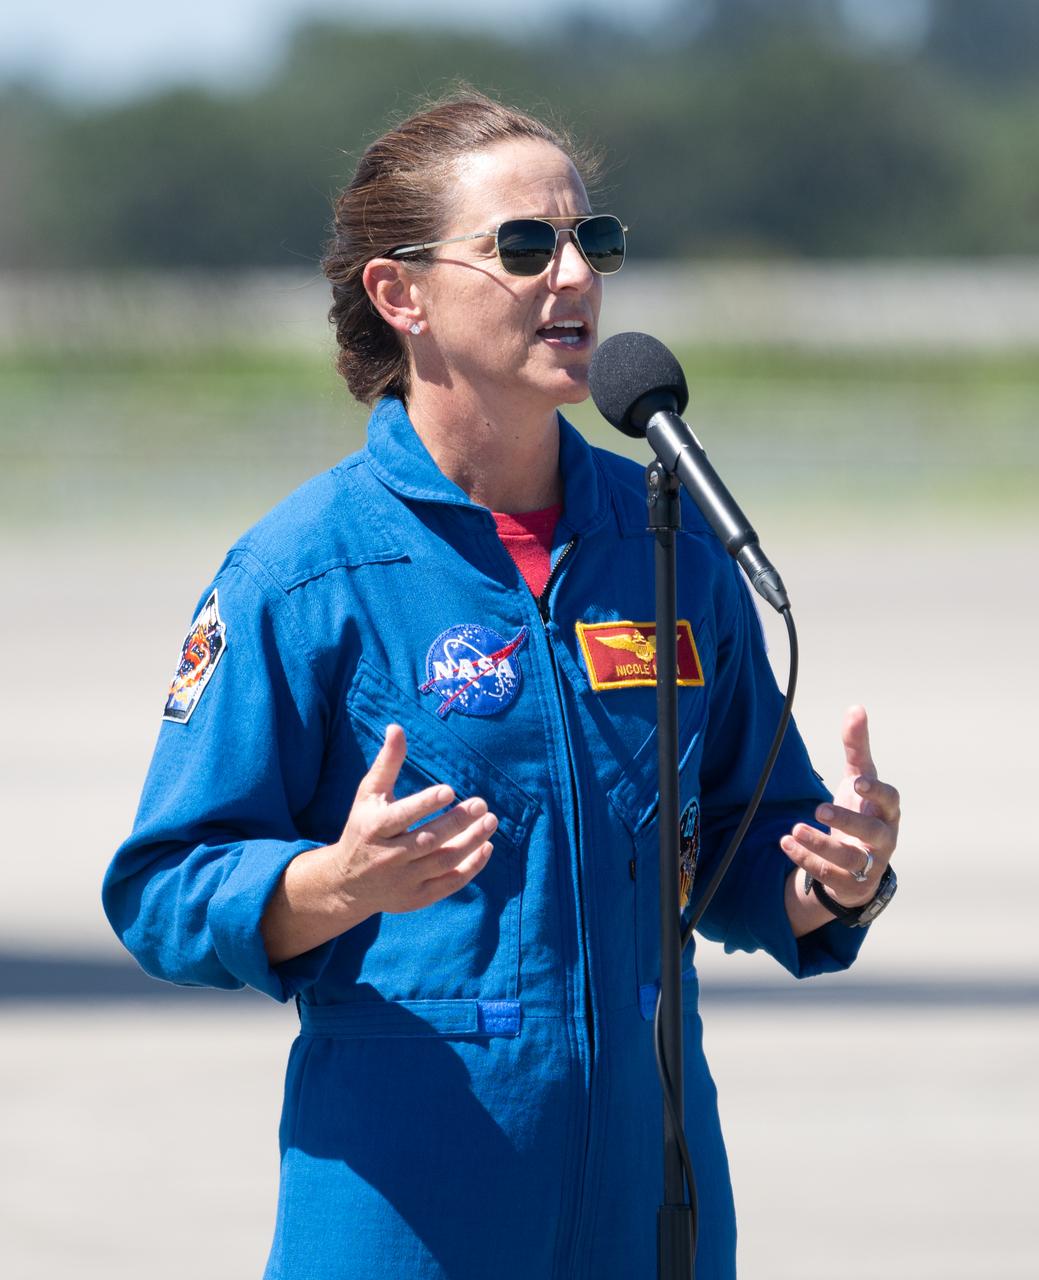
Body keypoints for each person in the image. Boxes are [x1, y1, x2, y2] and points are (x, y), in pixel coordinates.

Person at [103, 91, 901, 1280]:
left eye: (597, 241)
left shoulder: (671, 542)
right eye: (524, 246)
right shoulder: (306, 569)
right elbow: (164, 886)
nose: (574, 274)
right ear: (400, 293)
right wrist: (331, 881)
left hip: (654, 1201)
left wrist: (837, 876)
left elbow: (734, 844)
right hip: (409, 1206)